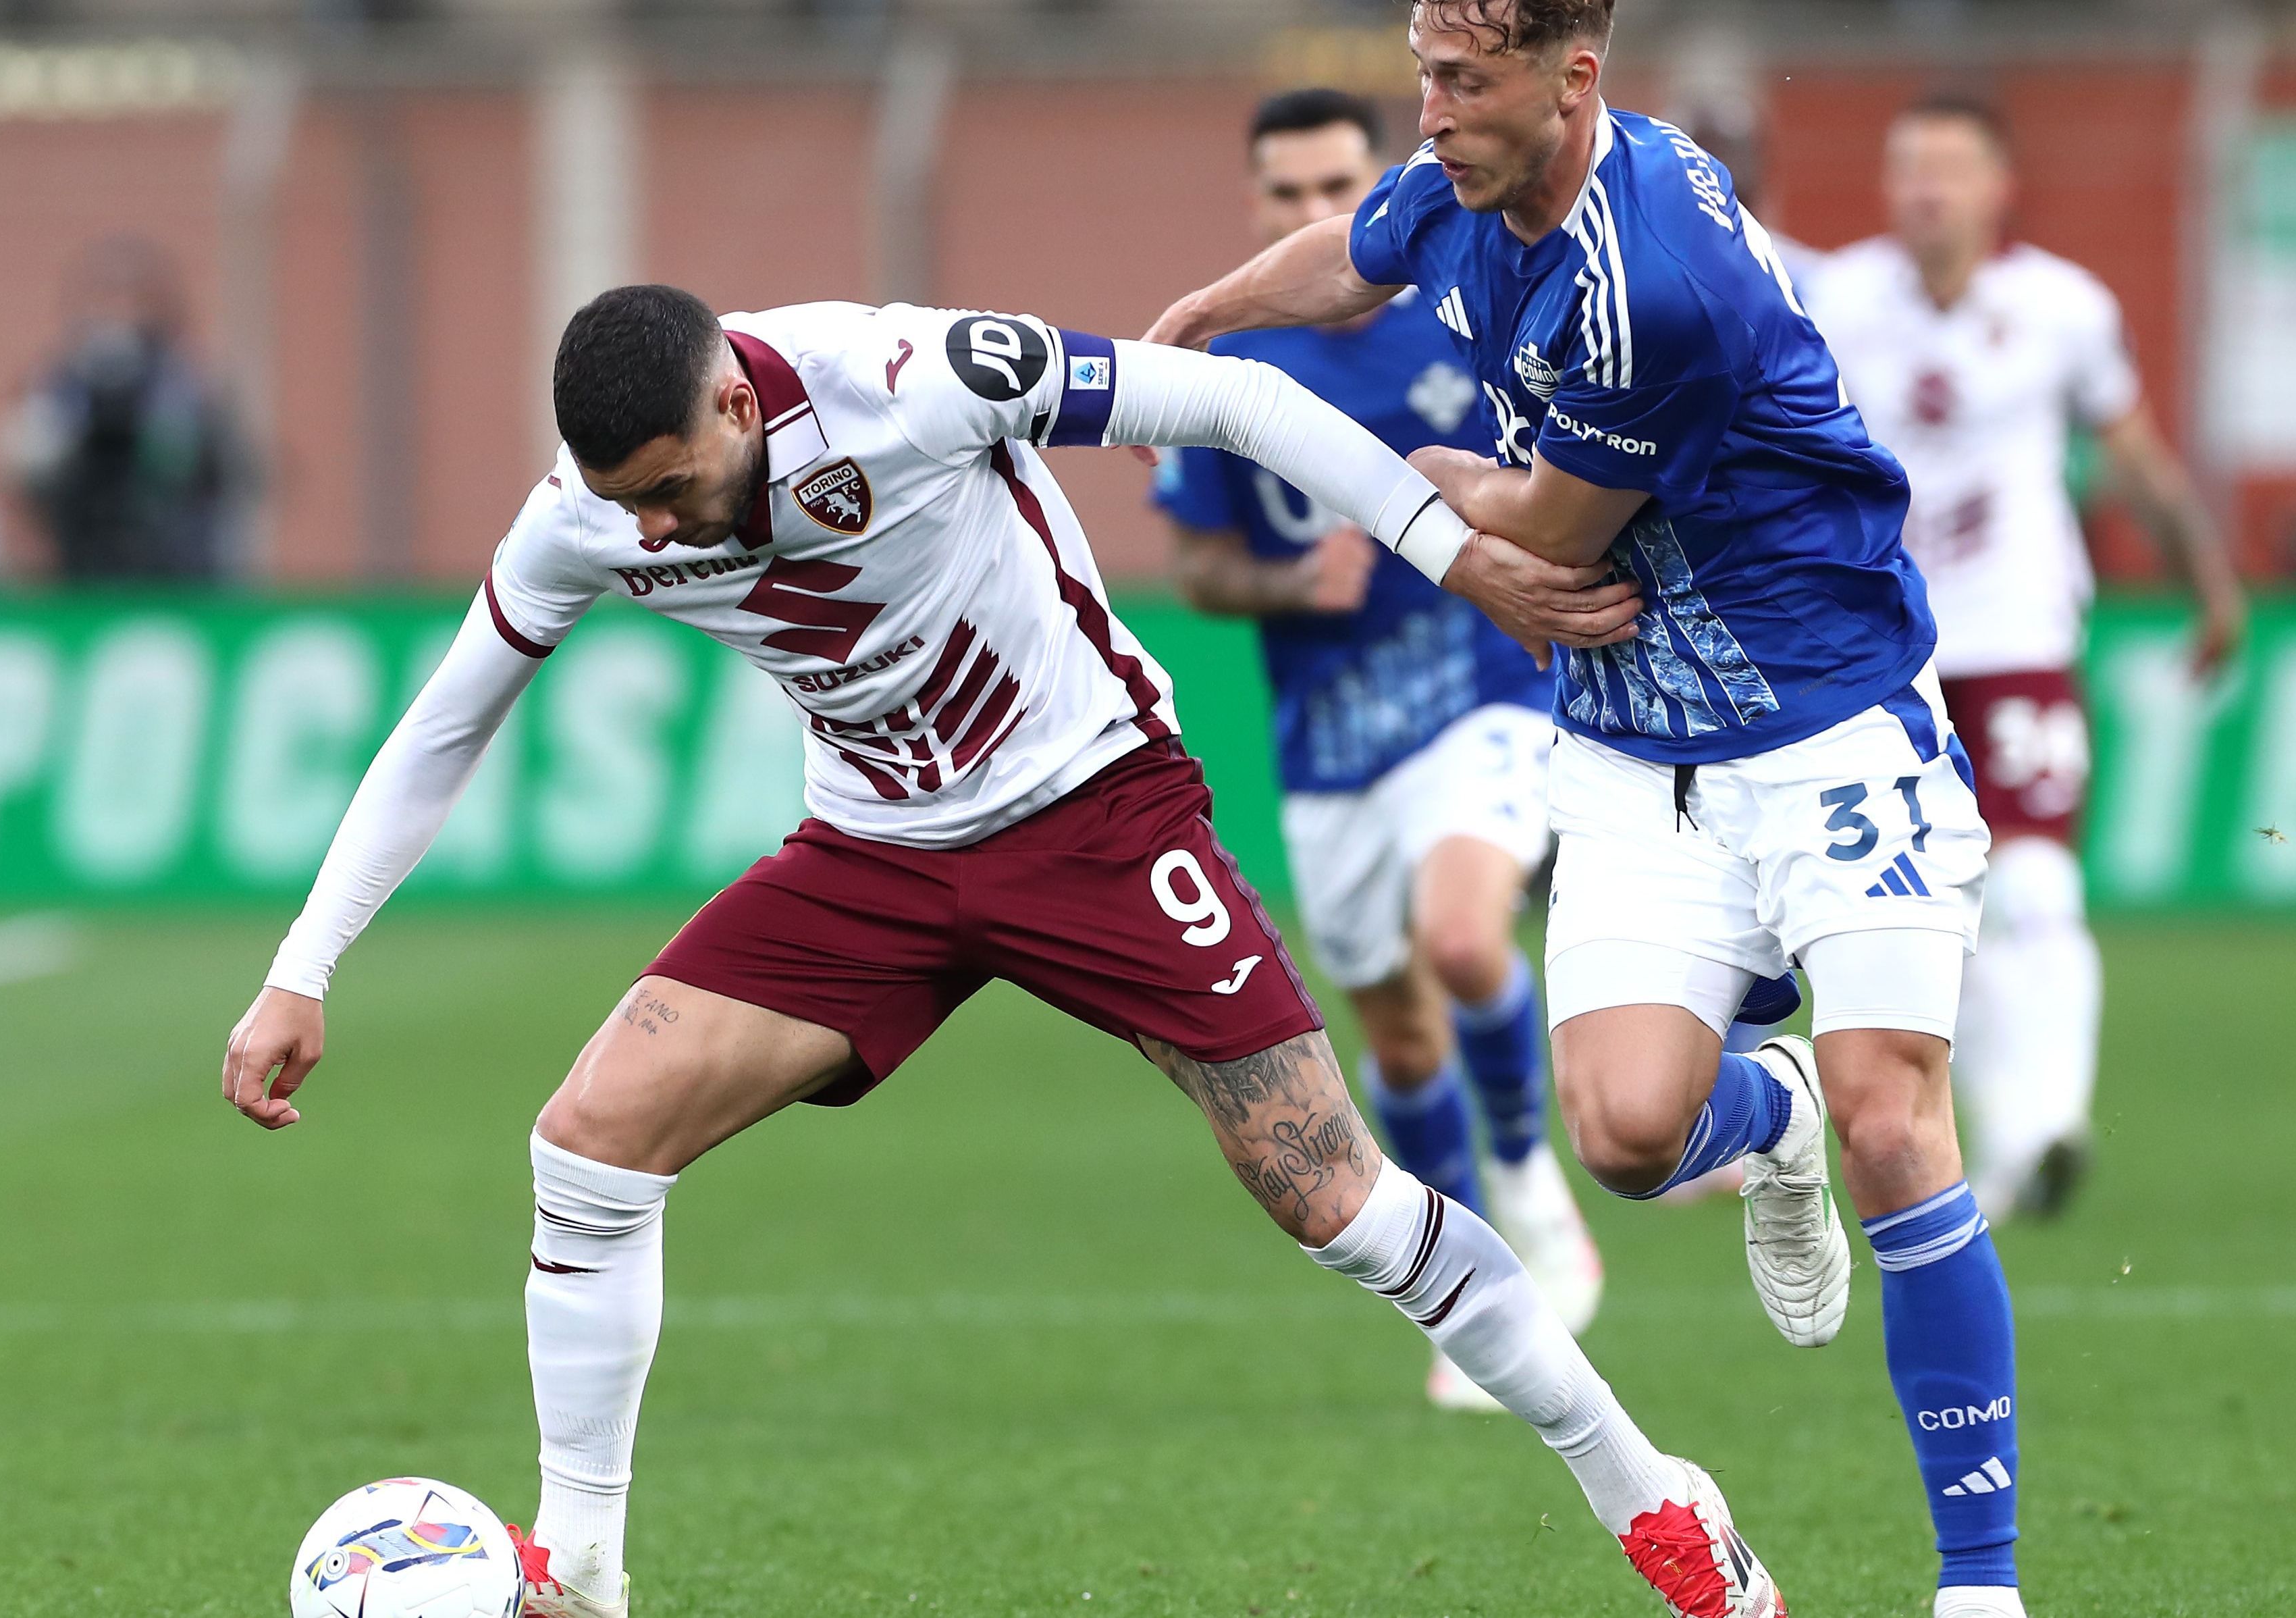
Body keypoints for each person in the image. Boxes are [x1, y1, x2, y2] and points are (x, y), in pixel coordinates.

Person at [219, 286, 1794, 1618]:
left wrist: (1454, 553)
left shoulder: (904, 379)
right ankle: (579, 1576)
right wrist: (306, 963)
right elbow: (449, 717)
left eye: (665, 483)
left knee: (1336, 1199)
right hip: (875, 857)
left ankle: (1653, 1494)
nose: (645, 527)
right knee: (588, 1141)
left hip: (1096, 813)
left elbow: (1236, 401)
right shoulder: (586, 519)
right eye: (619, 499)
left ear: (728, 394)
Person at [1148, 2, 2028, 1613]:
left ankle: (1978, 1582)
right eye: (1421, 74)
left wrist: (1426, 461)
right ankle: (1762, 1117)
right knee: (1626, 1139)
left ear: (1573, 80)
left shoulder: (1655, 287)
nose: (1429, 113)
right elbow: (1356, 254)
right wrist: (1205, 316)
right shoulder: (1475, 173)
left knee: (1897, 1116)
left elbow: (1544, 535)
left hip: (1828, 718)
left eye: (1458, 83)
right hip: (1633, 748)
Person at [1149, 86, 1603, 1412]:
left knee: (1465, 939)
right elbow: (1201, 564)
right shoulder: (1234, 372)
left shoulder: (1469, 307)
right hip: (1329, 734)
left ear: (1379, 190)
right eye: (1284, 195)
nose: (1310, 213)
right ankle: (1480, 1289)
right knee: (1399, 1036)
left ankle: (1537, 1198)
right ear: (1256, 208)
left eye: (1333, 188)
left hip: (1478, 687)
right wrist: (1295, 590)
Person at [1803, 93, 2249, 1224]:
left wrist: (2209, 580)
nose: (1926, 188)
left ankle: (2046, 1123)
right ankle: (2002, 1141)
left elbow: (2134, 451)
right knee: (1930, 911)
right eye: (1907, 167)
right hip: (1880, 657)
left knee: (2037, 881)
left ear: (2000, 188)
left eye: (1950, 167)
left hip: (2020, 644)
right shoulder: (1834, 300)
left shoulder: (2062, 309)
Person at [0, 236, 252, 581]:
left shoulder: (189, 385)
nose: (120, 314)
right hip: (79, 569)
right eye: (107, 299)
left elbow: (228, 474)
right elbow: (24, 477)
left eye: (135, 300)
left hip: (178, 573)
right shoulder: (58, 384)